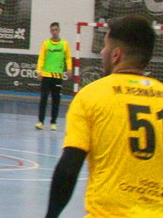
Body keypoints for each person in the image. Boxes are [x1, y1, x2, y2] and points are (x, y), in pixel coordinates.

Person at [45, 14, 163, 217]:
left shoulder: (91, 95)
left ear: (116, 55)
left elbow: (68, 168)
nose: (102, 52)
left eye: (105, 47)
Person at [35, 22, 72, 131]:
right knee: (43, 99)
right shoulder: (46, 43)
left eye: (56, 30)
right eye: (52, 30)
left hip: (57, 76)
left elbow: (68, 57)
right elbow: (41, 57)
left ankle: (53, 122)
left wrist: (69, 68)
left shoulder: (64, 44)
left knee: (56, 100)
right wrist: (39, 71)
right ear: (50, 31)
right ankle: (40, 122)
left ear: (59, 30)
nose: (54, 32)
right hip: (46, 75)